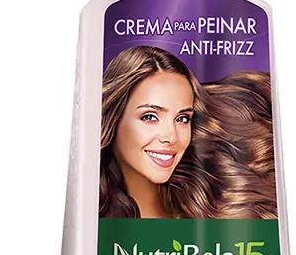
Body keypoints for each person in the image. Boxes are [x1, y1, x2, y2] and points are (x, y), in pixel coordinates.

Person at [100, 46, 278, 220]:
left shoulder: (210, 197)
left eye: (182, 118)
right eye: (149, 117)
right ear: (114, 117)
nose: (171, 137)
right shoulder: (94, 212)